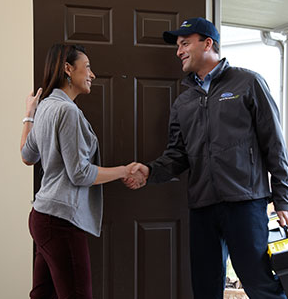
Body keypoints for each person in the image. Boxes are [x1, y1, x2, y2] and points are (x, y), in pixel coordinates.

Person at [124, 17, 288, 299]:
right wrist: (149, 171)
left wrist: (283, 198)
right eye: (178, 46)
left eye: (185, 43)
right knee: (205, 288)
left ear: (208, 43)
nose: (179, 52)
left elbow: (274, 144)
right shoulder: (183, 102)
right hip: (202, 206)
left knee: (259, 284)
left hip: (245, 202)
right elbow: (177, 156)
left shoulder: (248, 83)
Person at [20, 44, 145, 299]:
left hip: (42, 216)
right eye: (87, 66)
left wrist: (29, 115)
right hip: (60, 221)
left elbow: (26, 155)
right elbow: (80, 173)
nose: (92, 74)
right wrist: (123, 170)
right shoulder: (66, 110)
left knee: (43, 295)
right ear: (68, 68)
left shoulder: (45, 107)